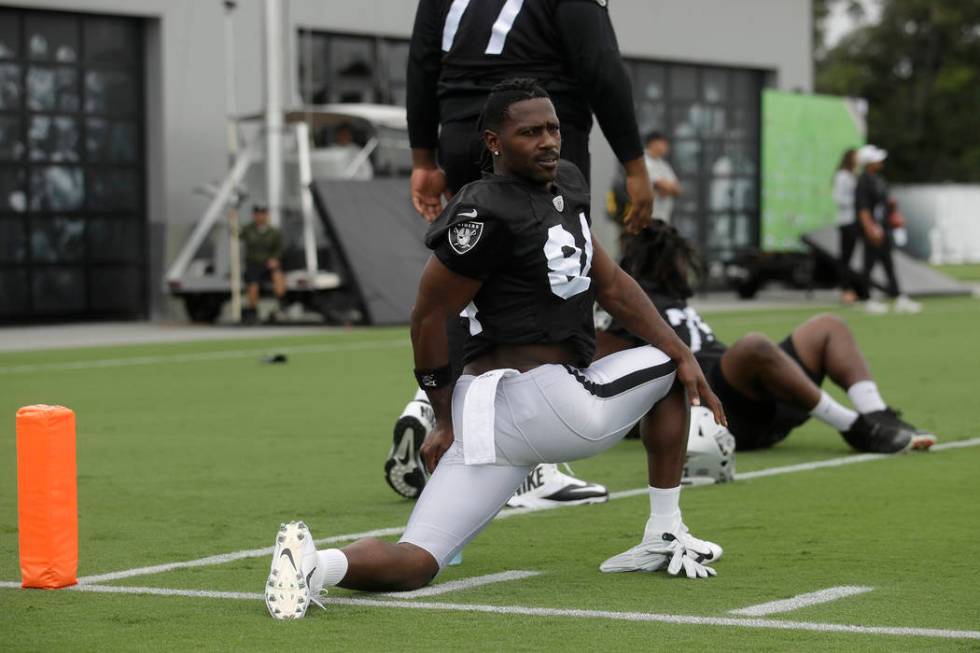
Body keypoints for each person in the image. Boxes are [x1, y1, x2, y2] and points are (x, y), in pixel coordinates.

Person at [266, 82, 726, 620]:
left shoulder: (567, 184)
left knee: (417, 562)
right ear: (493, 142)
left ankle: (314, 565)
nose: (548, 141)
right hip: (550, 401)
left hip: (491, 417)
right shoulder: (483, 211)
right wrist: (439, 416)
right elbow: (428, 317)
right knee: (671, 367)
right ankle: (664, 533)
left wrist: (447, 419)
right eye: (529, 132)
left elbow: (614, 285)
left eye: (552, 128)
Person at [387, 0, 657, 506]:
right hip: (539, 127)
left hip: (464, 133)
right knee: (555, 286)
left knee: (474, 291)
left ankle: (434, 410)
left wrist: (423, 156)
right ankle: (528, 463)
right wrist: (636, 163)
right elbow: (599, 62)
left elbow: (422, 60)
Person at [597, 223, 937, 454]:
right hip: (719, 408)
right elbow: (604, 369)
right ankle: (855, 427)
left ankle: (877, 414)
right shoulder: (626, 306)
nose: (684, 268)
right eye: (677, 259)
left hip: (753, 390)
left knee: (828, 326)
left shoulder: (672, 299)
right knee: (753, 345)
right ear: (657, 263)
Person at [853, 145, 922, 314]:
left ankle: (898, 297)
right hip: (873, 229)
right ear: (868, 162)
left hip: (883, 228)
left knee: (888, 264)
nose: (880, 161)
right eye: (876, 159)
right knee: (868, 264)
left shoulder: (878, 179)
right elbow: (863, 209)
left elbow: (884, 204)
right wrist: (870, 229)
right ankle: (866, 299)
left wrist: (892, 212)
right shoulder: (863, 181)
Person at [240, 204, 287, 323]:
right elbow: (236, 235)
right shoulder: (247, 230)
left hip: (268, 264)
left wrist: (275, 259)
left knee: (278, 277)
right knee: (253, 285)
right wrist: (232, 220)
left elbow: (279, 249)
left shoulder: (273, 232)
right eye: (257, 214)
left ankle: (280, 307)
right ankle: (253, 310)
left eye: (262, 214)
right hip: (253, 264)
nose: (260, 217)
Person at [833, 148, 859, 304]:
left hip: (853, 220)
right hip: (846, 221)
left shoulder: (851, 175)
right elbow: (839, 198)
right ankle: (845, 290)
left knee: (849, 258)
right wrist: (856, 203)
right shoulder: (842, 176)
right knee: (845, 258)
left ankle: (851, 289)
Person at [644, 131, 681, 224]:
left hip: (663, 218)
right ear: (653, 143)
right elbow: (661, 185)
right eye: (663, 143)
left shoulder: (664, 165)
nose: (666, 147)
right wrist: (666, 187)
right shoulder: (644, 161)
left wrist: (668, 188)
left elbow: (678, 190)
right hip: (647, 218)